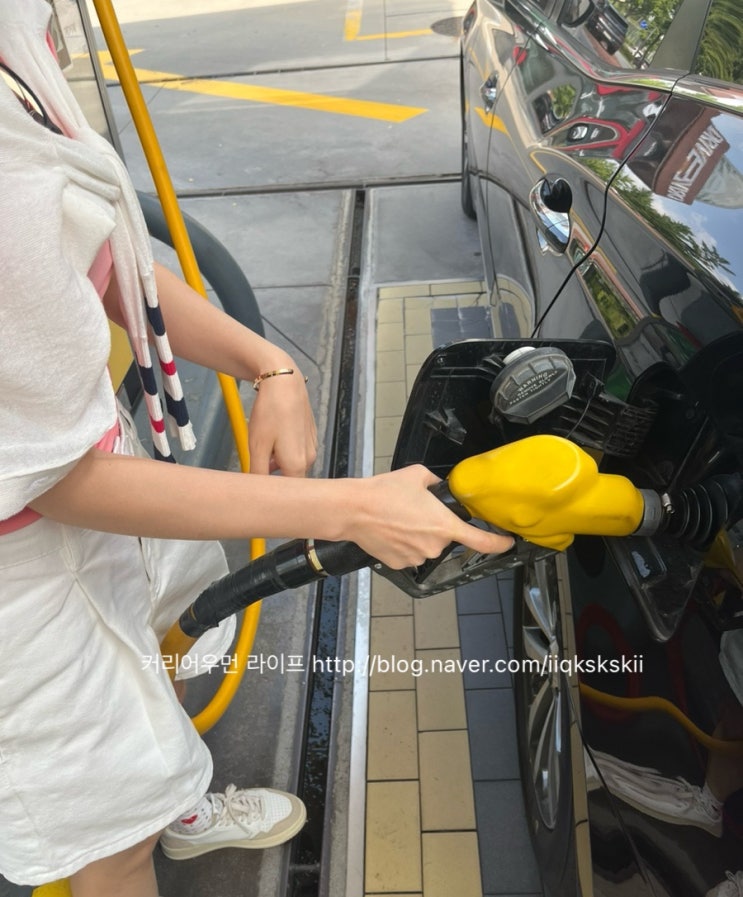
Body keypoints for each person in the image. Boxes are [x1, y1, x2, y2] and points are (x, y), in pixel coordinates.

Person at [0, 1, 513, 894]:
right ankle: (133, 833)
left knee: (155, 657)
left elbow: (98, 254)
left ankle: (169, 801)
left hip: (91, 475)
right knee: (107, 842)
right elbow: (58, 477)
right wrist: (350, 506)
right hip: (27, 570)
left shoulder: (16, 27)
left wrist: (269, 366)